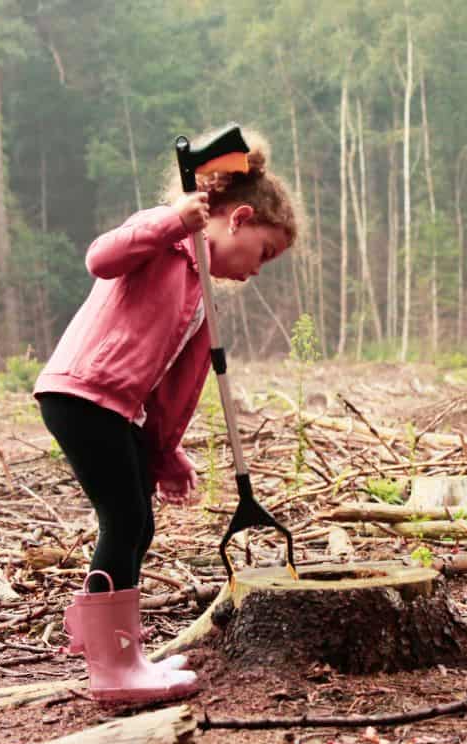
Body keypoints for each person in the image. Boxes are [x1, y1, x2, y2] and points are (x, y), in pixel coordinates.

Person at [34, 130, 298, 703]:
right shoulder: (165, 239)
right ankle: (112, 670)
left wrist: (165, 450)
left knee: (139, 524)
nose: (258, 270)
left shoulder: (200, 294)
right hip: (82, 394)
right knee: (124, 520)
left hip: (116, 408)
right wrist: (174, 220)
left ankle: (122, 653)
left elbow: (169, 391)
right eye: (264, 252)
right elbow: (101, 258)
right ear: (239, 218)